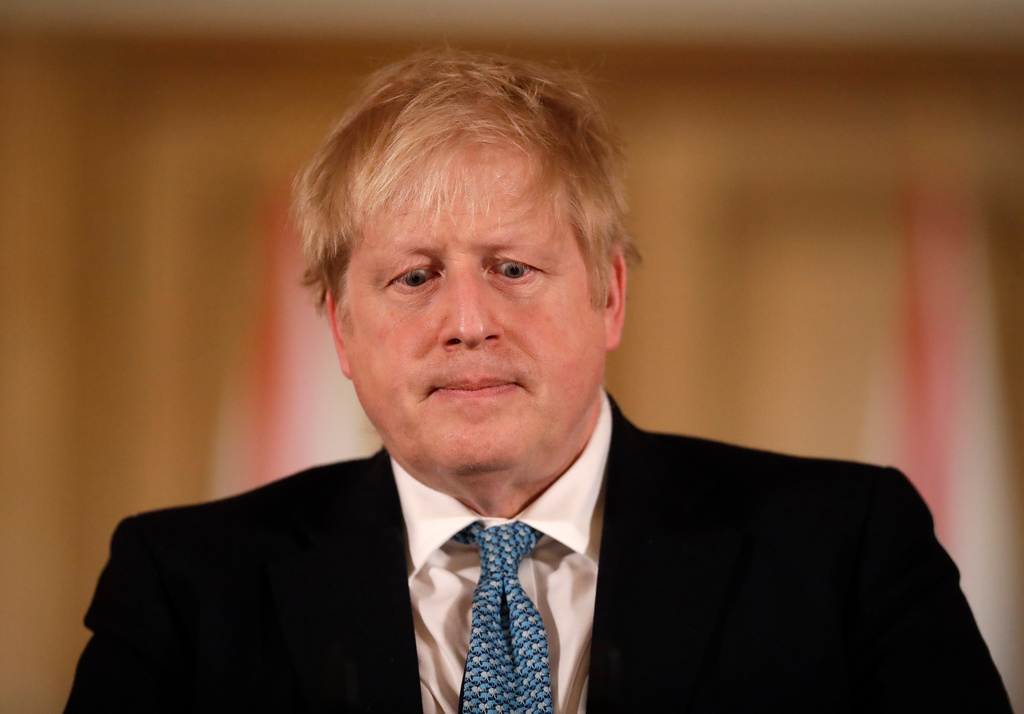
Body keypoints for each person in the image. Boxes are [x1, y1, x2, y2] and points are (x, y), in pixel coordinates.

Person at [66, 49, 1012, 714]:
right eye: (414, 276)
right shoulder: (186, 588)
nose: (468, 321)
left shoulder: (844, 549)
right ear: (341, 331)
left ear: (607, 298)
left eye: (513, 269)